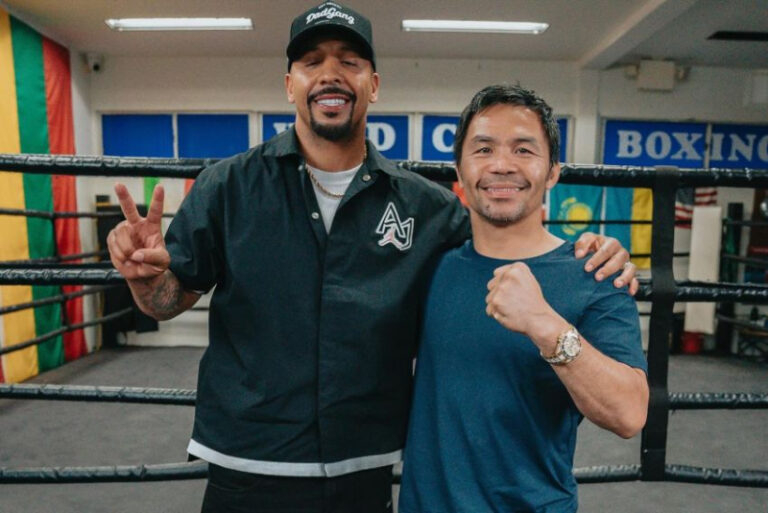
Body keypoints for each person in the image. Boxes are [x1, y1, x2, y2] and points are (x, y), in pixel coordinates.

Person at [106, 3, 638, 512]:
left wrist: (586, 252)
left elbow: (503, 235)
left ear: (374, 85)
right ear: (290, 84)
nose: (330, 74)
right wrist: (142, 278)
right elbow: (167, 300)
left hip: (362, 468)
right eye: (311, 61)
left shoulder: (427, 208)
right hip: (249, 462)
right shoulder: (228, 186)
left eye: (350, 61)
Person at [398, 84, 649, 513]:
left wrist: (546, 326)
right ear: (459, 169)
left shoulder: (594, 273)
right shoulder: (427, 265)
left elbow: (629, 414)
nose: (501, 165)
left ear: (552, 172)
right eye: (483, 149)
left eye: (523, 150)